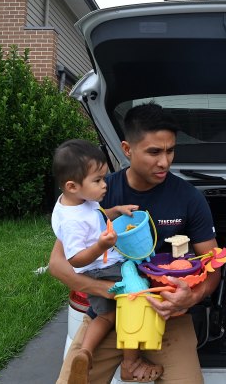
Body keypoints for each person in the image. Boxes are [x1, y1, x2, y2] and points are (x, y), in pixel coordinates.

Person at [49, 103, 219, 384]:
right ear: (127, 150)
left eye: (170, 150)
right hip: (109, 316)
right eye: (154, 152)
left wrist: (193, 296)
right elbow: (58, 263)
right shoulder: (99, 190)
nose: (165, 162)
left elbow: (213, 264)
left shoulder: (189, 198)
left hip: (167, 317)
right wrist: (113, 292)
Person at [51, 139, 161, 383]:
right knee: (135, 299)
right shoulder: (72, 222)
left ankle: (85, 353)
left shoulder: (76, 203)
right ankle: (131, 362)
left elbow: (97, 215)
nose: (104, 185)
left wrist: (117, 210)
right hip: (104, 270)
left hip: (101, 268)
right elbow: (76, 260)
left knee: (106, 316)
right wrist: (101, 245)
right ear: (71, 185)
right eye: (98, 180)